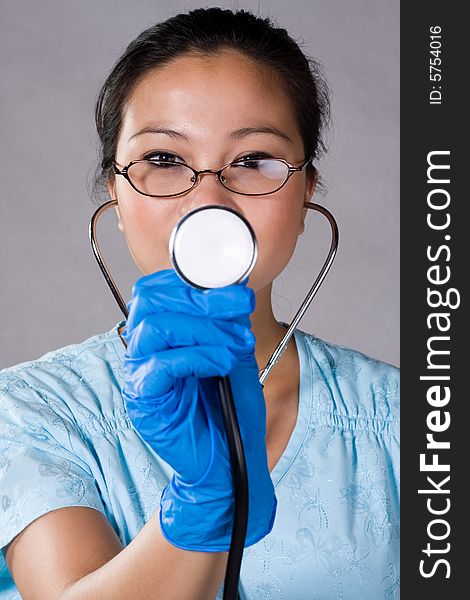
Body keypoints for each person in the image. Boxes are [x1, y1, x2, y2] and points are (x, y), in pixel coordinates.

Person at [0, 7, 399, 600]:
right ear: (113, 187)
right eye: (163, 160)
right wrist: (202, 510)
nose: (209, 200)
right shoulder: (27, 413)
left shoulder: (412, 422)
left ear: (307, 186)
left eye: (253, 160)